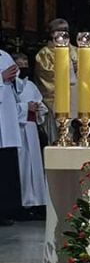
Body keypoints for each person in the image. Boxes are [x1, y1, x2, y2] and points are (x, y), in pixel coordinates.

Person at [12, 53, 48, 215]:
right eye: (19, 65)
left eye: (25, 63)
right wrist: (27, 107)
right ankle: (23, 203)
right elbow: (8, 108)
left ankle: (38, 201)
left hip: (31, 129)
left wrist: (38, 107)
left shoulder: (31, 86)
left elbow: (42, 107)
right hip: (17, 130)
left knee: (35, 164)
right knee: (23, 165)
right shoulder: (9, 86)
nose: (23, 67)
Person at [34, 18, 78, 144]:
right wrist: (67, 69)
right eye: (58, 31)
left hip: (75, 97)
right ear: (51, 33)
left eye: (65, 30)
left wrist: (79, 68)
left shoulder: (77, 51)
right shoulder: (44, 54)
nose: (62, 34)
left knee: (75, 129)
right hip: (56, 98)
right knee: (58, 130)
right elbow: (45, 74)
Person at [0, 49, 22, 226]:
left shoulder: (4, 55)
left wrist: (15, 78)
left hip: (6, 118)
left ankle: (6, 210)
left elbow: (18, 86)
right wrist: (1, 78)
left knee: (6, 166)